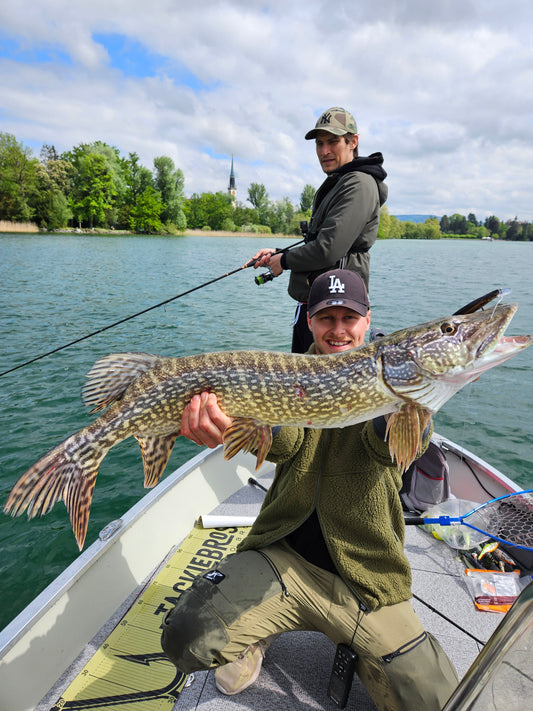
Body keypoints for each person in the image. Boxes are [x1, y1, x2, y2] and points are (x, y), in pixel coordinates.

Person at [161, 269, 458, 711]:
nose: (338, 329)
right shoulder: (288, 376)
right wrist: (228, 426)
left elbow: (389, 451)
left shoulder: (404, 389)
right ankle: (258, 633)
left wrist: (411, 400)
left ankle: (363, 647)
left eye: (349, 317)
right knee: (185, 638)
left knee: (437, 700)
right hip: (282, 558)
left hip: (364, 576)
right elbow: (284, 443)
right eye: (325, 318)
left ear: (367, 318)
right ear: (310, 322)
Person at [252, 107, 388, 353]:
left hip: (333, 312)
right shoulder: (340, 181)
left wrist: (284, 260)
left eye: (333, 142)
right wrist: (278, 253)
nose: (324, 151)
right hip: (315, 307)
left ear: (352, 142)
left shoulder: (358, 184)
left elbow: (328, 249)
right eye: (319, 143)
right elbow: (323, 241)